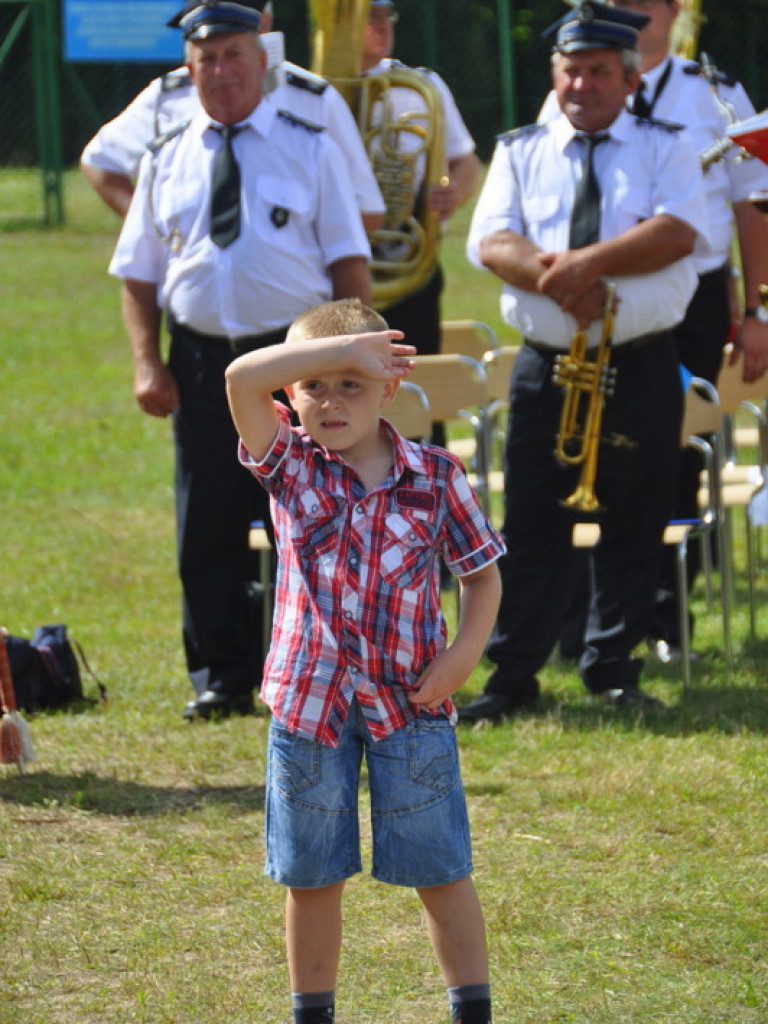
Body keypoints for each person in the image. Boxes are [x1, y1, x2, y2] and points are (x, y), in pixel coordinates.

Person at [225, 296, 504, 1024]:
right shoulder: (288, 464)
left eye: (353, 383)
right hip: (309, 712)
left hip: (411, 707)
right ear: (291, 394)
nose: (331, 400)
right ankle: (312, 1014)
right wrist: (337, 354)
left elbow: (482, 575)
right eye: (315, 384)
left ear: (388, 387)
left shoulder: (436, 476)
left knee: (441, 870)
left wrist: (462, 657)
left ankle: (470, 1010)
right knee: (311, 878)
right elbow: (238, 378)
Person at [108, 0, 372, 721]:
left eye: (233, 56)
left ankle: (326, 659)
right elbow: (139, 273)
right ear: (189, 70)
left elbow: (350, 259)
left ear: (263, 61)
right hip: (198, 361)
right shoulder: (165, 155)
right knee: (208, 523)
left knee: (313, 516)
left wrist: (354, 359)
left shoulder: (309, 143)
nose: (220, 72)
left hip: (296, 362)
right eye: (206, 60)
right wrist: (146, 363)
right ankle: (221, 676)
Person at [458, 0, 709, 723]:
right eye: (571, 71)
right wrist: (557, 280)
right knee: (533, 520)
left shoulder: (665, 144)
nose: (582, 85)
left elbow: (678, 232)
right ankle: (512, 678)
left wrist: (582, 265)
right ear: (555, 75)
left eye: (599, 72)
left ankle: (612, 670)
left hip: (640, 360)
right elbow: (492, 241)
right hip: (546, 363)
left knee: (635, 516)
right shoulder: (521, 147)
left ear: (629, 79)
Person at [541, 0, 768, 662]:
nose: (632, 13)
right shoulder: (572, 89)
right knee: (585, 449)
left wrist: (756, 310)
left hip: (692, 296)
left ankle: (664, 621)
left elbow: (753, 204)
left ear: (675, 9)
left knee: (674, 456)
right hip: (595, 293)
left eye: (644, 2)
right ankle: (582, 620)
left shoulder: (718, 92)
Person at [80, 1, 385, 230]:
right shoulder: (171, 94)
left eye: (233, 43)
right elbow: (101, 160)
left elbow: (366, 208)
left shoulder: (314, 98)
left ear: (264, 26)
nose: (220, 66)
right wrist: (151, 234)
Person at [361, 0, 482, 443]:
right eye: (367, 16)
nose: (381, 26)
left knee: (417, 400)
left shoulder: (420, 86)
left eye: (385, 15)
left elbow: (465, 162)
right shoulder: (311, 92)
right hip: (332, 272)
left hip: (409, 273)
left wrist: (453, 192)